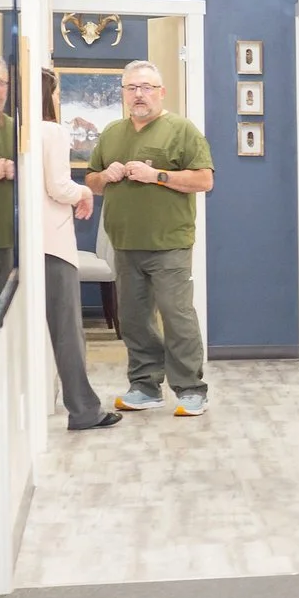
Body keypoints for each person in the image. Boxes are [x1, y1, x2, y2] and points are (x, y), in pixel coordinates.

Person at [86, 61, 214, 416]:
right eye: (131, 88)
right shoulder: (112, 133)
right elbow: (91, 182)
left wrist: (157, 175)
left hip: (169, 242)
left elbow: (204, 180)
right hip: (124, 242)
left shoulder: (182, 130)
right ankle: (144, 386)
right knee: (134, 318)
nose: (139, 94)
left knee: (177, 315)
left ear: (161, 92)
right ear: (123, 93)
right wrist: (105, 176)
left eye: (146, 87)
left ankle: (191, 389)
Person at [37, 71, 118, 431]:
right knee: (68, 329)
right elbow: (57, 186)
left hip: (22, 243)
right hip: (52, 244)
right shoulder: (51, 131)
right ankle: (84, 410)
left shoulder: (14, 130)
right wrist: (83, 193)